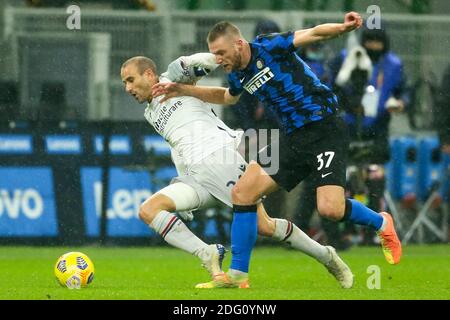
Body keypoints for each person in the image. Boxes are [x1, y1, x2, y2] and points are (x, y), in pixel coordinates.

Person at [152, 12, 402, 288]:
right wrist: (183, 89)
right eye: (214, 54)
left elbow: (314, 33)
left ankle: (381, 222)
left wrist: (342, 28)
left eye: (221, 52)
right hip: (293, 136)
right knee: (243, 193)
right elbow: (227, 98)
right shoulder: (237, 74)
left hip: (325, 128)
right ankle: (237, 276)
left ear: (239, 44)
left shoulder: (268, 46)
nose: (218, 59)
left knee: (330, 209)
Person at [120, 54, 353, 289]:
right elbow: (177, 147)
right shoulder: (150, 113)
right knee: (149, 210)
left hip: (219, 157)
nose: (128, 88)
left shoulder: (173, 77)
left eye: (131, 80)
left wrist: (213, 58)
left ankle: (326, 255)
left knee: (263, 225)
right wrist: (182, 180)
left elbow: (203, 62)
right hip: (196, 175)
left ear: (149, 74)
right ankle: (207, 253)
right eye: (124, 83)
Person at [329, 25, 408, 244]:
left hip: (378, 127)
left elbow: (404, 93)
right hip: (348, 126)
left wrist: (400, 104)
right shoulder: (346, 58)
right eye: (369, 41)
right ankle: (344, 231)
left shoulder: (393, 65)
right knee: (345, 179)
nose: (373, 46)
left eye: (377, 42)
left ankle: (374, 230)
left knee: (375, 178)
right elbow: (330, 87)